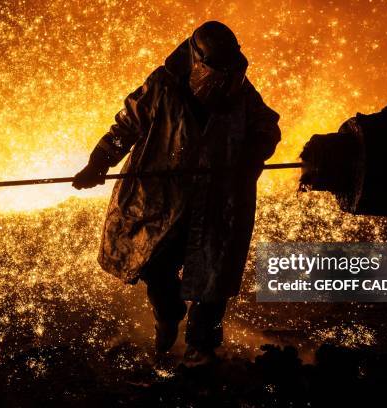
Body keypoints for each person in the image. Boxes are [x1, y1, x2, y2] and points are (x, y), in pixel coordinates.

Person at [73, 21, 280, 367]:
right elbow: (127, 125)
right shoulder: (163, 86)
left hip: (216, 202)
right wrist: (99, 161)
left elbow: (266, 127)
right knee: (155, 264)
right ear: (197, 60)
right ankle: (167, 314)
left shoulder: (241, 94)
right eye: (218, 69)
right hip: (163, 201)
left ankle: (202, 347)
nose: (225, 77)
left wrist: (254, 152)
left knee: (213, 278)